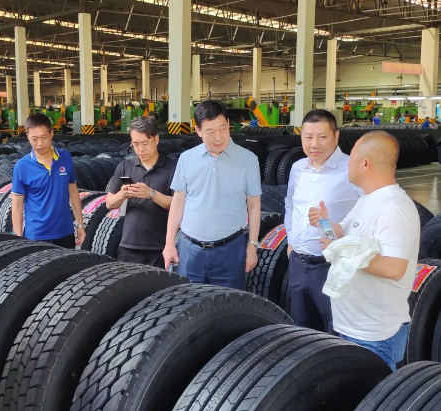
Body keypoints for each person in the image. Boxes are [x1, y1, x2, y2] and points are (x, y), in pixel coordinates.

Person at [311, 131, 420, 370]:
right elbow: (345, 238)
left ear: (365, 164)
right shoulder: (368, 200)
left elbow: (394, 268)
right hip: (351, 326)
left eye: (351, 159)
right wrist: (325, 224)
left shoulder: (393, 208)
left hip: (375, 335)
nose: (347, 164)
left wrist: (342, 252)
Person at [163, 100, 262, 289]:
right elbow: (178, 202)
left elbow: (254, 205)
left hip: (230, 251)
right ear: (198, 130)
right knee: (188, 306)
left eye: (223, 128)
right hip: (190, 250)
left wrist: (252, 246)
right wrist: (169, 244)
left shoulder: (248, 160)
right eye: (210, 131)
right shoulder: (187, 159)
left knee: (228, 308)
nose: (218, 137)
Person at [285, 109, 361, 334]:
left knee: (335, 331)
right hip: (298, 264)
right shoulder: (298, 168)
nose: (314, 144)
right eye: (308, 137)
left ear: (336, 137)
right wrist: (291, 240)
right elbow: (290, 205)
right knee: (303, 331)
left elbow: (368, 215)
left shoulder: (352, 169)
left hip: (333, 266)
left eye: (322, 137)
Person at [106, 117, 176, 267]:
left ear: (156, 139)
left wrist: (151, 194)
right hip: (129, 246)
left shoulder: (172, 167)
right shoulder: (125, 166)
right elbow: (109, 203)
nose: (140, 150)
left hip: (160, 247)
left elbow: (178, 205)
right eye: (135, 145)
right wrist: (123, 194)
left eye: (145, 143)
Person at [11, 113, 86, 247]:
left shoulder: (65, 157)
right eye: (34, 139)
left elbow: (73, 192)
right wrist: (18, 236)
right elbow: (17, 204)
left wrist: (80, 224)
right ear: (27, 137)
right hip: (36, 235)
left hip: (65, 232)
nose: (40, 144)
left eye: (44, 137)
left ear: (51, 134)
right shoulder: (22, 166)